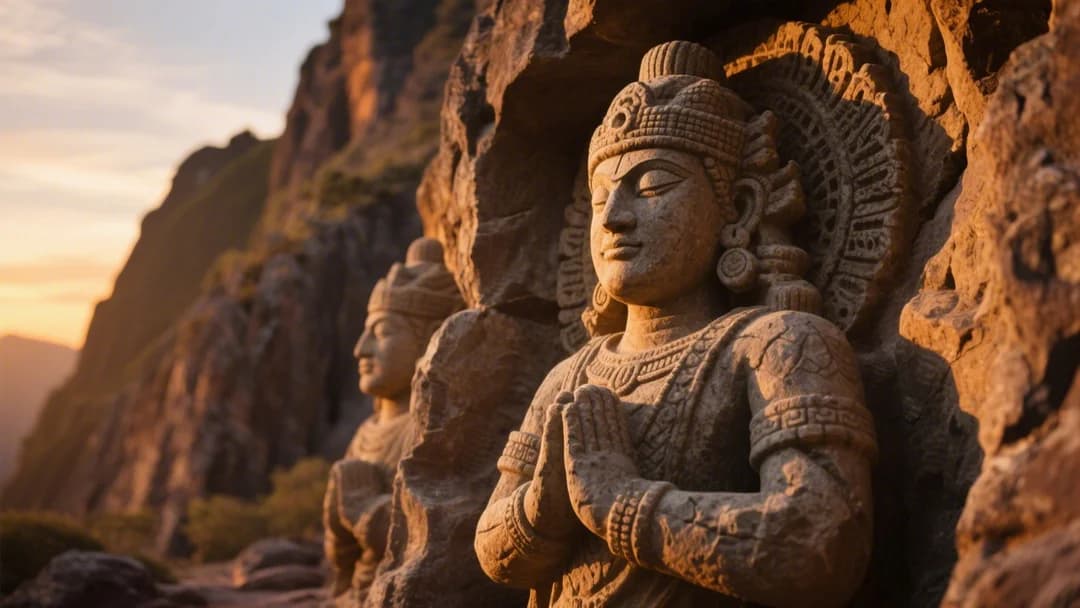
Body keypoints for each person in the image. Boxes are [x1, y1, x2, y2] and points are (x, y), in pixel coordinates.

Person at [475, 41, 877, 608]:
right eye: (600, 197)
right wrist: (547, 500)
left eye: (652, 187)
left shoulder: (779, 344)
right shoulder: (569, 378)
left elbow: (820, 541)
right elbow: (494, 552)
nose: (614, 216)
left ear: (736, 209)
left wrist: (619, 501)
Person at [324, 237, 464, 606]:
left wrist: (363, 510)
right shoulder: (365, 433)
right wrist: (338, 530)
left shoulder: (435, 428)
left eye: (382, 332)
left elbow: (437, 540)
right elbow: (342, 557)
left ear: (430, 340)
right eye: (366, 332)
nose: (361, 348)